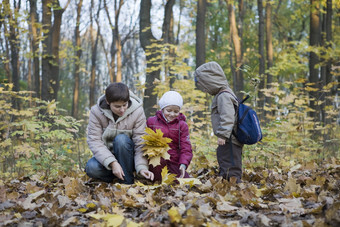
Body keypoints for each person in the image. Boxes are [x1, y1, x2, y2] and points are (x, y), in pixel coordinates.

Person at [85, 82, 154, 184]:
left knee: (121, 140)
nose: (122, 110)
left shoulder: (137, 111)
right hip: (107, 158)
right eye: (117, 107)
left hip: (129, 157)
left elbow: (140, 141)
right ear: (108, 102)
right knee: (91, 168)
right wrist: (112, 163)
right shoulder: (96, 112)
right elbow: (95, 141)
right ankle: (116, 176)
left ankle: (127, 182)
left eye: (124, 105)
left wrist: (141, 167)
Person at [194, 62, 243, 183]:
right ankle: (225, 181)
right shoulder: (224, 94)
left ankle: (233, 185)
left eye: (204, 85)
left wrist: (222, 134)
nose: (204, 89)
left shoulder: (223, 96)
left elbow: (228, 116)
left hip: (230, 138)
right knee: (224, 157)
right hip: (230, 137)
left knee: (230, 161)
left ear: (211, 81)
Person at [147, 91, 193, 182]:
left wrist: (183, 164)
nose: (172, 114)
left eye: (176, 111)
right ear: (162, 109)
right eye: (169, 110)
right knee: (158, 179)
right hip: (156, 159)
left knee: (184, 181)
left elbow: (186, 147)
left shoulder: (182, 125)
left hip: (174, 160)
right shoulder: (152, 122)